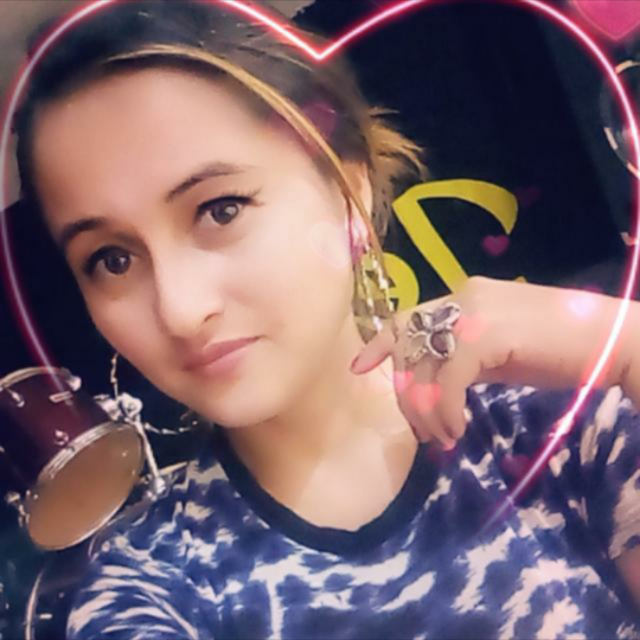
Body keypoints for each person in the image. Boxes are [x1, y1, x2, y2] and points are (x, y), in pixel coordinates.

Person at [10, 0, 640, 638]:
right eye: (112, 260)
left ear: (347, 185)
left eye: (221, 209)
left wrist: (626, 348)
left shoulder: (554, 422)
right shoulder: (147, 587)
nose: (180, 309)